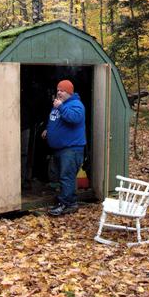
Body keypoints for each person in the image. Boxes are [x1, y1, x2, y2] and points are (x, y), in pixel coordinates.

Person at [41, 79, 86, 216]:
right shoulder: (58, 104)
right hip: (60, 148)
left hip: (71, 149)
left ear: (69, 93)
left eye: (62, 91)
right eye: (58, 90)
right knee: (61, 176)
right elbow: (56, 120)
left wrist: (61, 107)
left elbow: (74, 118)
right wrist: (49, 130)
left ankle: (68, 204)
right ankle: (66, 202)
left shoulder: (76, 105)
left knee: (67, 177)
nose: (59, 93)